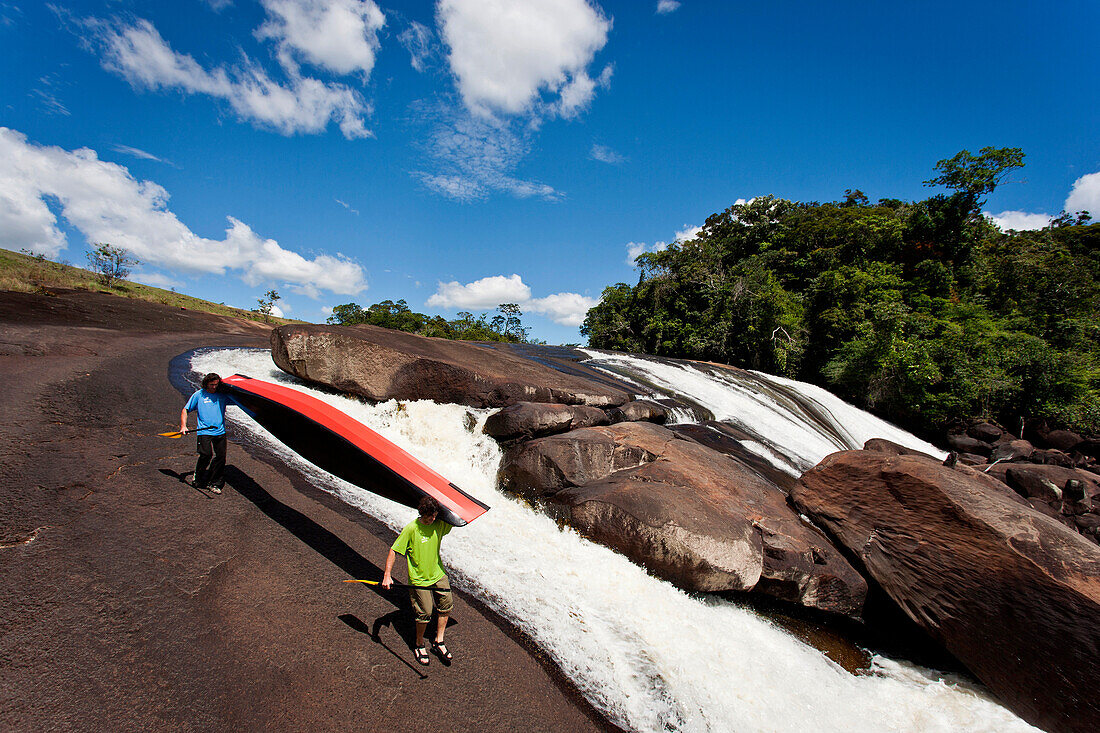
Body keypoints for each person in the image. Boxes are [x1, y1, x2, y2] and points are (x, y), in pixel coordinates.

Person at [383, 496, 454, 666]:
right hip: (419, 579)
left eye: (435, 515)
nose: (433, 519)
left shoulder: (439, 524)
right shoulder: (411, 529)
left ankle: (438, 641)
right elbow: (394, 551)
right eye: (430, 516)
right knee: (425, 613)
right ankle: (419, 644)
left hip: (438, 574)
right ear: (422, 513)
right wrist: (387, 575)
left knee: (447, 604)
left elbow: (456, 517)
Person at [179, 372, 239, 494]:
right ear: (206, 383)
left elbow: (239, 400)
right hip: (204, 431)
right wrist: (183, 426)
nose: (214, 387)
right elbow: (185, 410)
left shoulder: (222, 395)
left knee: (221, 457)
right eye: (211, 384)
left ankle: (215, 483)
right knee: (206, 454)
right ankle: (198, 476)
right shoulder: (199, 395)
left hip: (220, 431)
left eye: (216, 384)